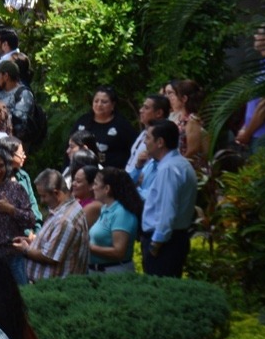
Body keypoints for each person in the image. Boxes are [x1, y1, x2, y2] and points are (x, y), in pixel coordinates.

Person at [138, 121, 197, 278]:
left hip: (166, 243)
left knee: (158, 290)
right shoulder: (179, 164)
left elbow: (166, 208)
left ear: (160, 142)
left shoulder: (169, 169)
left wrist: (156, 243)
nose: (145, 142)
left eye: (148, 138)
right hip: (174, 239)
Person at [13, 169, 91, 282]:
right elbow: (55, 244)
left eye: (43, 196)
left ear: (56, 193)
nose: (42, 200)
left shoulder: (65, 220)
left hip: (57, 288)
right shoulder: (67, 207)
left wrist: (26, 249)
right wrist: (32, 242)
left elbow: (50, 256)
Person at [236, 25, 265, 151]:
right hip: (257, 133)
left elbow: (264, 106)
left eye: (258, 33)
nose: (254, 36)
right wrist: (245, 128)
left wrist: (247, 133)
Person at [87, 168, 141, 273]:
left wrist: (89, 247)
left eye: (96, 184)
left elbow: (119, 252)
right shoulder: (105, 208)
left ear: (107, 188)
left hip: (113, 272)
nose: (92, 188)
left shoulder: (121, 213)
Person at [73, 87, 133, 171]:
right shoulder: (83, 122)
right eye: (96, 101)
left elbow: (132, 151)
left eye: (104, 102)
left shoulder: (122, 125)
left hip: (112, 174)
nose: (99, 104)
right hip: (82, 173)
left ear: (113, 105)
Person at [163, 79, 208, 172]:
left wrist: (176, 164)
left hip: (188, 169)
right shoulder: (178, 117)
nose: (171, 98)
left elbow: (192, 150)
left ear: (184, 99)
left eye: (175, 95)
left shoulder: (192, 121)